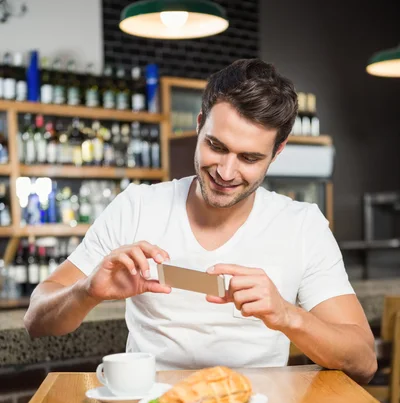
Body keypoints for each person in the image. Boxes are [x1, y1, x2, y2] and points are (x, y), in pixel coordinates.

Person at [24, 59, 377, 384]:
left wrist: (287, 315)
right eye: (216, 146)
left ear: (278, 151)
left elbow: (363, 359)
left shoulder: (302, 226)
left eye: (250, 157)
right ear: (199, 125)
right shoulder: (136, 207)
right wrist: (86, 292)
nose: (226, 172)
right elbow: (37, 320)